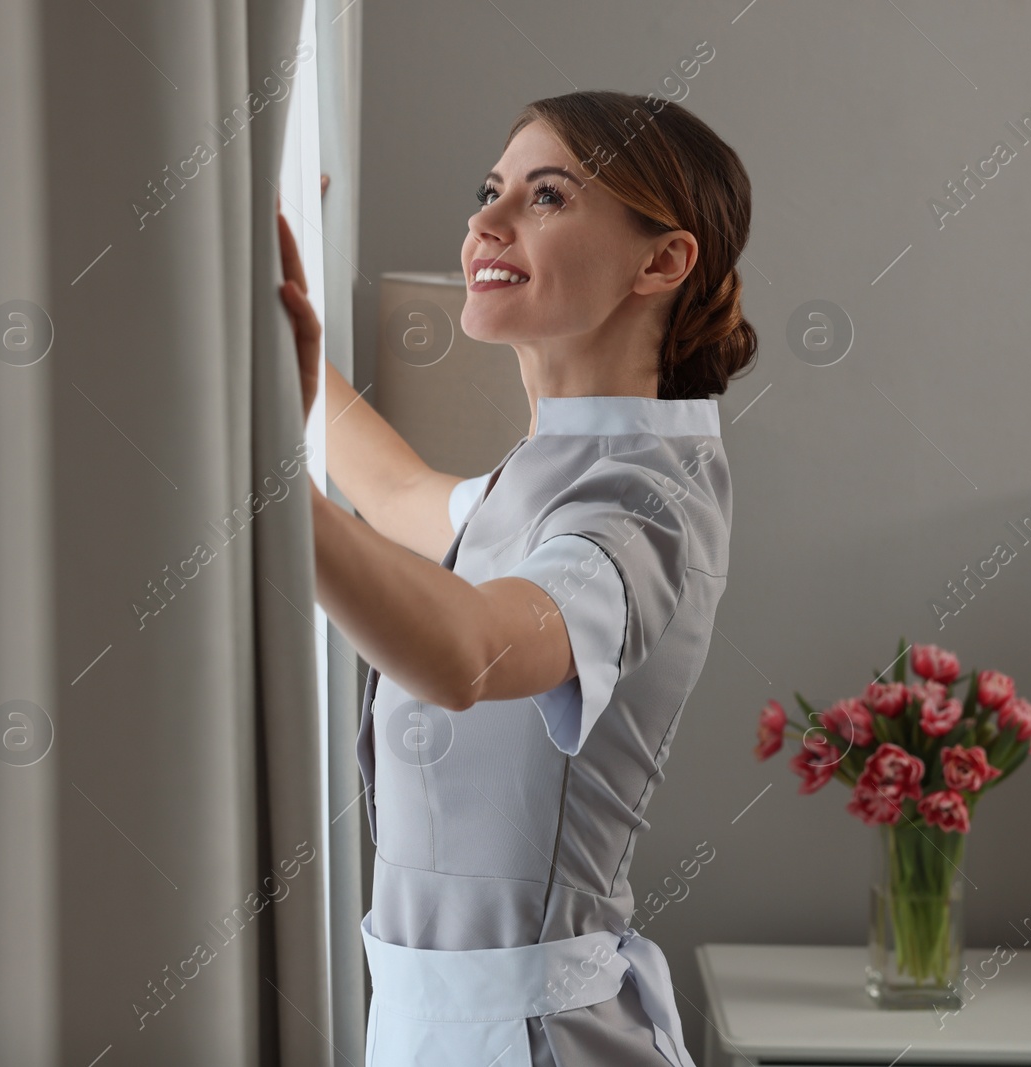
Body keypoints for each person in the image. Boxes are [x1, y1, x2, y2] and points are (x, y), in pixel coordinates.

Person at [279, 89, 756, 1067]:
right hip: (443, 1027)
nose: (483, 224)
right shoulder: (545, 477)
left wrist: (255, 485)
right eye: (489, 191)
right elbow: (397, 490)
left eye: (545, 197)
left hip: (535, 1040)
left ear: (661, 260)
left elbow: (469, 649)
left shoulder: (638, 498)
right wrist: (266, 327)